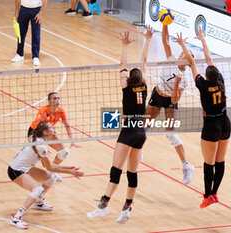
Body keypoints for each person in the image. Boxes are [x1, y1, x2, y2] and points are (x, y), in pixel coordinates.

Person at [86, 26, 153, 224]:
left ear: (128, 79)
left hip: (129, 131)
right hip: (140, 132)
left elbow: (122, 63)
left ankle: (103, 206)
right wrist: (148, 40)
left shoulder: (126, 88)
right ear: (140, 78)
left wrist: (124, 45)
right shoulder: (144, 84)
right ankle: (126, 208)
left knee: (116, 170)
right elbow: (144, 62)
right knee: (132, 173)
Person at [175, 28, 231, 208]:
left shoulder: (203, 85)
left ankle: (207, 195)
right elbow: (208, 59)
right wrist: (203, 41)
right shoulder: (220, 80)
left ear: (206, 76)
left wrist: (183, 43)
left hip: (211, 125)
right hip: (225, 123)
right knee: (220, 161)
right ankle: (215, 193)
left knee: (209, 163)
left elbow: (192, 63)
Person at [8, 121, 84, 229]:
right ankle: (16, 218)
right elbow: (49, 167)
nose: (53, 128)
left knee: (50, 178)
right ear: (45, 132)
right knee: (38, 190)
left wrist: (69, 168)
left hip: (26, 167)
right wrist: (70, 172)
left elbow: (47, 165)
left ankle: (38, 202)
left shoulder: (41, 142)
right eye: (51, 127)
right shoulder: (41, 146)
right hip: (16, 170)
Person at [145, 24, 194, 185]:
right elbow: (165, 41)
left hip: (169, 100)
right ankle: (136, 152)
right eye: (180, 52)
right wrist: (165, 23)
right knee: (144, 125)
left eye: (184, 55)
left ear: (187, 61)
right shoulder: (171, 59)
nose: (180, 55)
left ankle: (186, 166)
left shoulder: (184, 79)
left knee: (170, 133)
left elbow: (174, 100)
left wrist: (175, 85)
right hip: (156, 94)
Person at [28, 92, 79, 181]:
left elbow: (67, 126)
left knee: (64, 152)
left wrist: (72, 141)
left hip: (49, 132)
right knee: (38, 159)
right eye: (54, 98)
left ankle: (52, 171)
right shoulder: (43, 111)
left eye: (58, 98)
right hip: (35, 134)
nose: (57, 100)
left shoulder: (61, 110)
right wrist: (42, 146)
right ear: (49, 101)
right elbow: (37, 130)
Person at [11, 0, 47, 66]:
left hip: (36, 10)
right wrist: (17, 10)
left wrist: (41, 12)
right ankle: (19, 54)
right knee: (21, 33)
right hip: (23, 9)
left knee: (36, 34)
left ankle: (35, 56)